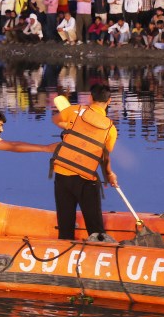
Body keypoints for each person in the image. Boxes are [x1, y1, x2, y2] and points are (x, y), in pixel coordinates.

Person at [50, 84, 118, 241]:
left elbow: (56, 120)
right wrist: (109, 174)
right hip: (86, 180)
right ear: (109, 101)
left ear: (90, 98)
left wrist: (69, 127)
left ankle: (65, 249)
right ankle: (98, 248)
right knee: (96, 231)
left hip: (62, 174)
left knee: (65, 227)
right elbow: (104, 157)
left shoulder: (74, 110)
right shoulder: (111, 129)